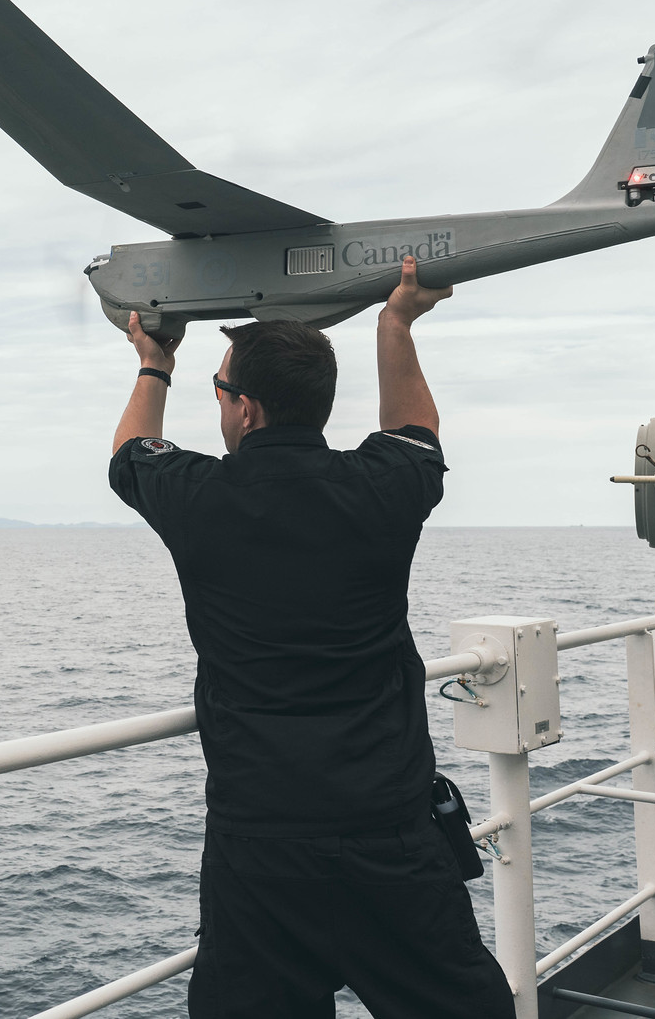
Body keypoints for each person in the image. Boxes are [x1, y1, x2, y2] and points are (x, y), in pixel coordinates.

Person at [107, 256, 514, 1019]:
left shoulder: (198, 498)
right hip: (389, 834)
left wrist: (154, 364)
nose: (221, 406)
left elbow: (128, 455)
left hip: (259, 847)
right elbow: (416, 431)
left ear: (247, 411)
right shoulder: (379, 487)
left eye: (221, 393)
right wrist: (396, 323)